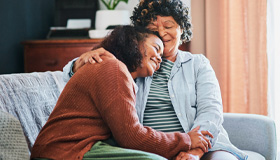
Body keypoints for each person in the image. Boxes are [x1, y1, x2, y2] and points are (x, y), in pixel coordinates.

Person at [63, 1, 248, 160]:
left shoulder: (197, 64)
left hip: (204, 147)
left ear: (181, 29)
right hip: (150, 149)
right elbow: (82, 74)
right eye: (153, 28)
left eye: (168, 26)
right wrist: (80, 61)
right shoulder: (131, 62)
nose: (161, 32)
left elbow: (211, 111)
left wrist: (194, 151)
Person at [31, 25, 213, 160]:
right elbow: (132, 137)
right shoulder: (112, 68)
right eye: (156, 48)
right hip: (62, 152)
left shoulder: (118, 71)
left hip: (79, 147)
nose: (159, 57)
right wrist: (185, 140)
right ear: (134, 43)